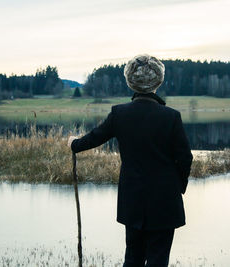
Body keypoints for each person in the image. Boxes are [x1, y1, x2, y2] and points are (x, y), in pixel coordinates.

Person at [67, 54, 193, 267]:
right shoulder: (171, 116)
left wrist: (74, 143)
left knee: (132, 258)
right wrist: (178, 186)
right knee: (158, 259)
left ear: (130, 81)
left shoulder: (120, 114)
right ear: (158, 81)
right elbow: (185, 158)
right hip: (165, 200)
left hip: (133, 200)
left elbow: (94, 138)